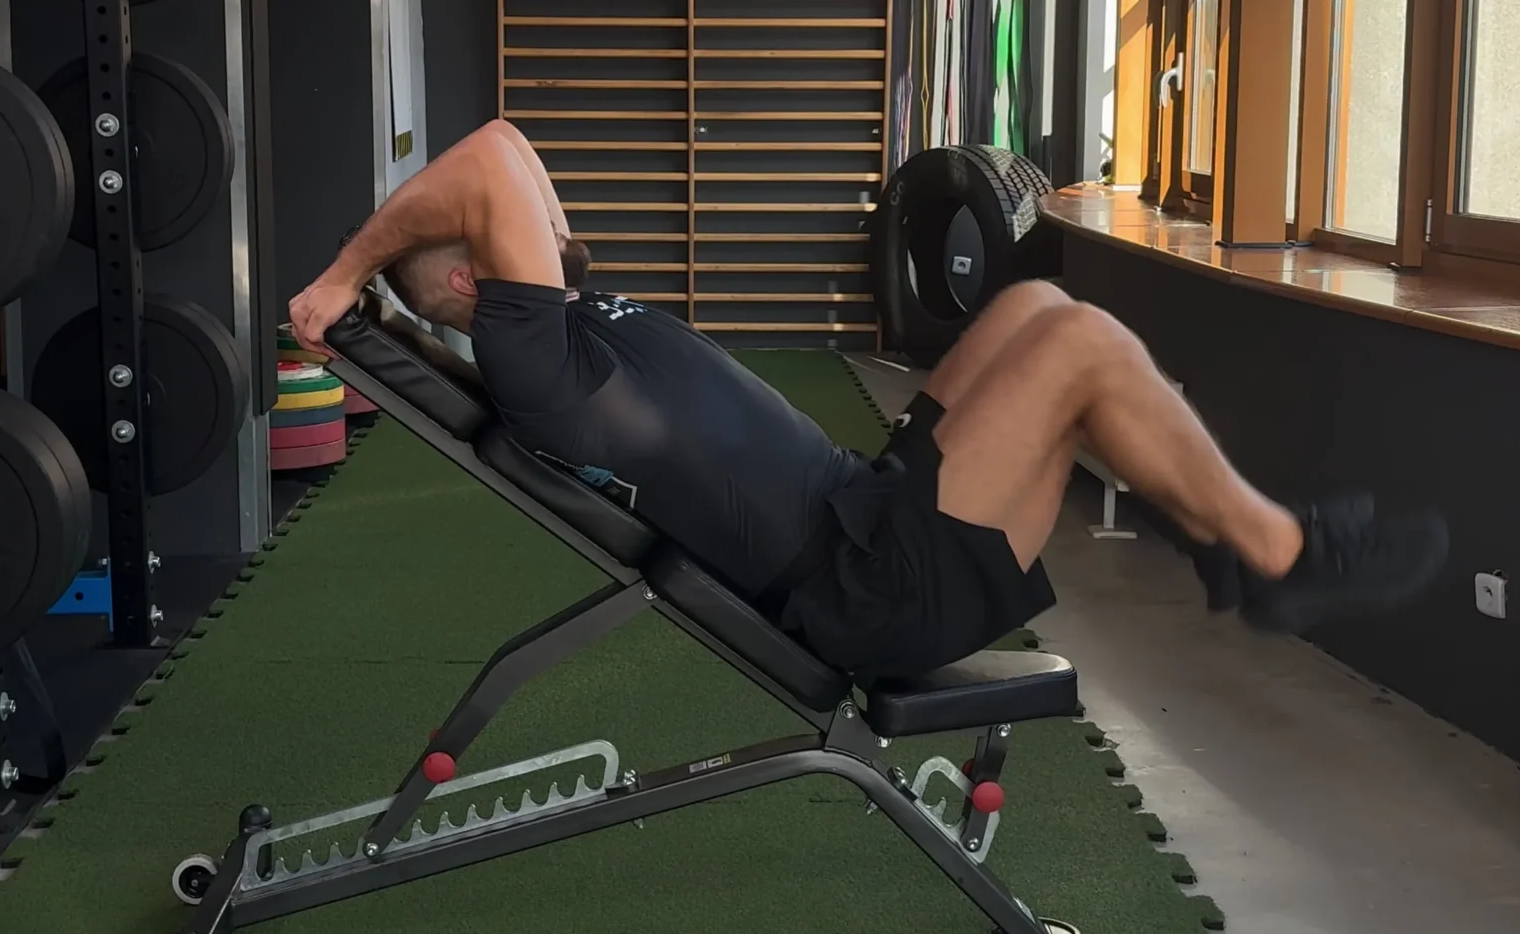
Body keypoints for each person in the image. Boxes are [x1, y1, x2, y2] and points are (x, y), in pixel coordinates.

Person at [289, 120, 1449, 680]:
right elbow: (491, 158)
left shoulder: (562, 319)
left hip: (863, 512)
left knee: (1034, 306)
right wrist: (347, 275)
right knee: (1082, 346)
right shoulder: (533, 366)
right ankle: (1279, 554)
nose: (546, 227)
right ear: (475, 286)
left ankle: (1214, 538)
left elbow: (513, 156)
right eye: (505, 243)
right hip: (871, 589)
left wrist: (467, 238)